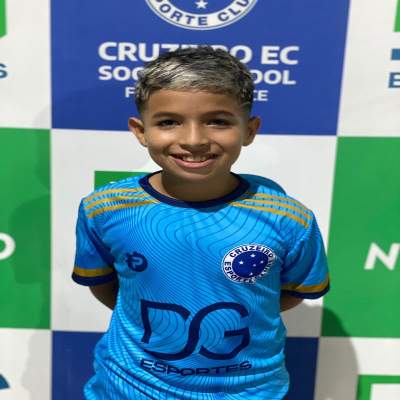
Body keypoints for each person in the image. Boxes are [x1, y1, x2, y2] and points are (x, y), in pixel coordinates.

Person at [72, 46, 329, 399]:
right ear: (140, 130)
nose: (193, 140)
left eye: (218, 121)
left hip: (247, 392)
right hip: (129, 388)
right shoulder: (104, 208)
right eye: (168, 122)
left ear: (250, 130)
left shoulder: (289, 219)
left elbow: (284, 296)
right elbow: (107, 287)